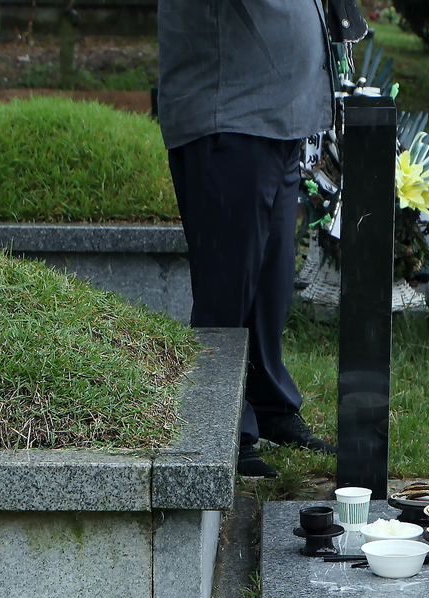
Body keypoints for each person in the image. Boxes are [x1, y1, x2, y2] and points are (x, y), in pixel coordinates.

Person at [158, 1, 350, 478]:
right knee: (228, 285)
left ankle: (268, 405)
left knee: (271, 276)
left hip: (277, 113)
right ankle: (220, 425)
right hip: (230, 111)